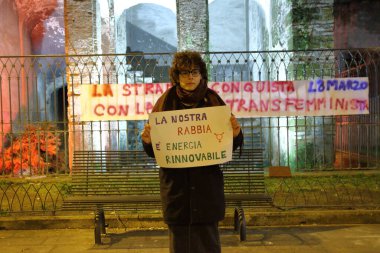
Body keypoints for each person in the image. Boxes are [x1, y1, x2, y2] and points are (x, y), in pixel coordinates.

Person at [141, 50, 243, 253]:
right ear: (176, 76)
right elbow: (158, 151)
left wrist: (236, 133)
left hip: (206, 190)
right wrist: (147, 141)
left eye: (194, 72)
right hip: (178, 192)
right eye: (184, 73)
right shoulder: (165, 103)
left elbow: (227, 145)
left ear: (202, 74)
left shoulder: (214, 102)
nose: (189, 77)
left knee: (208, 244)